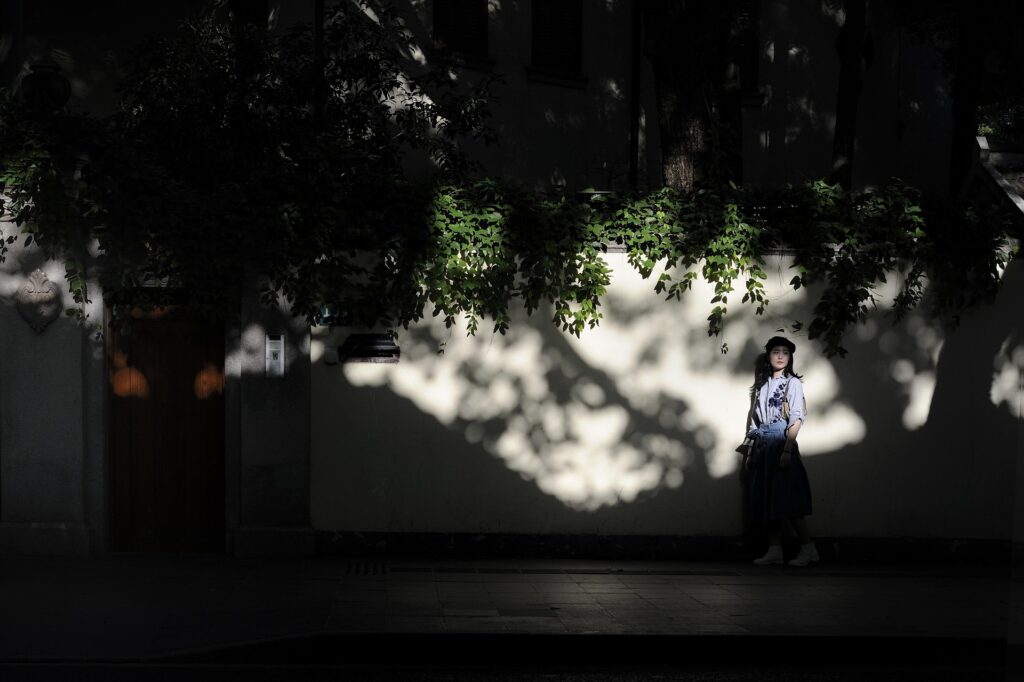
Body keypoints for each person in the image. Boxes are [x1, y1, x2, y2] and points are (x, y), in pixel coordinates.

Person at [740, 336, 818, 567]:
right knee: (766, 499)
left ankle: (809, 549)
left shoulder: (793, 383)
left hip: (780, 442)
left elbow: (796, 418)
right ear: (768, 355)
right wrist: (750, 452)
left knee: (789, 499)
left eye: (786, 351)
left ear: (790, 357)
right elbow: (754, 423)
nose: (781, 355)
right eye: (776, 351)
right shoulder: (761, 386)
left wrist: (787, 449)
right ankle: (775, 550)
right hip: (763, 445)